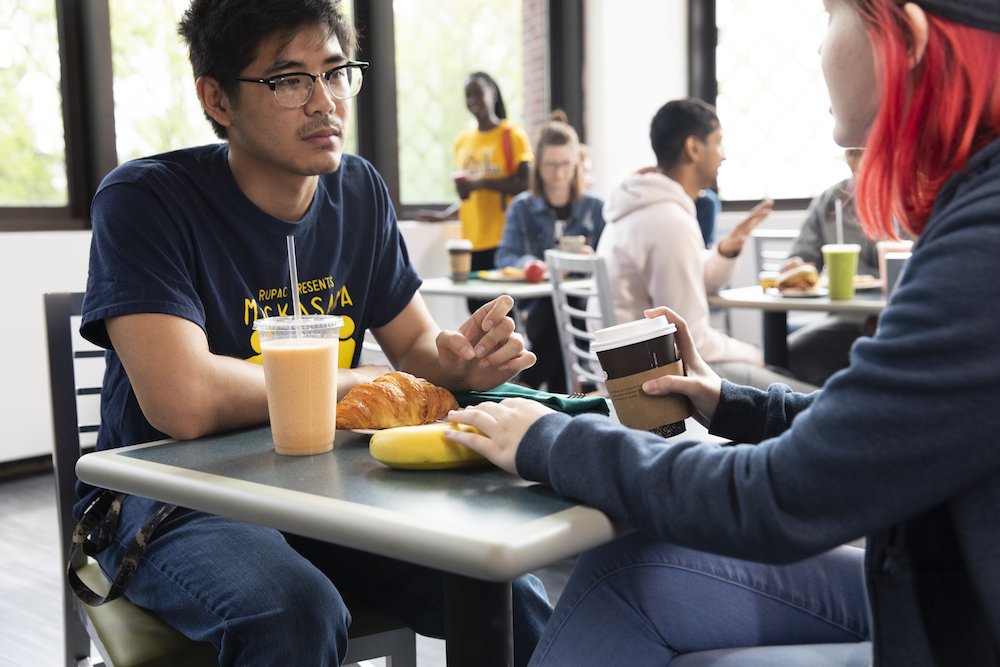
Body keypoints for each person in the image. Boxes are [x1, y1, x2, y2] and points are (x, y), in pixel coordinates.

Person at [446, 0, 1000, 663]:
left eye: (829, 16)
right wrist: (730, 400)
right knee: (631, 567)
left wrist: (552, 438)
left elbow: (777, 498)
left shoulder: (984, 240)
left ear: (904, 37)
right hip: (942, 591)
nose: (820, 44)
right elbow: (885, 424)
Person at [76, 2, 552, 665]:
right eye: (289, 80)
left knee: (510, 593)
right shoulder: (144, 201)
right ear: (217, 98)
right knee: (295, 611)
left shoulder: (358, 190)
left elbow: (416, 350)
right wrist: (354, 381)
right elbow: (181, 401)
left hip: (325, 491)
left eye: (335, 73)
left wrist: (459, 363)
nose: (324, 102)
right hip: (167, 504)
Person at [597, 98, 817, 392]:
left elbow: (694, 278)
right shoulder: (668, 221)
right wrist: (754, 354)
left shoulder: (638, 210)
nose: (723, 156)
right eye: (718, 142)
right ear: (694, 148)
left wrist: (727, 249)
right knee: (808, 400)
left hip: (629, 364)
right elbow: (692, 340)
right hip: (654, 376)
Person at [495, 111, 606, 393]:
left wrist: (588, 258)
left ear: (577, 165)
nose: (558, 174)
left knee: (569, 303)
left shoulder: (595, 208)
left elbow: (611, 263)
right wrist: (538, 266)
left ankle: (528, 384)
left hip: (585, 308)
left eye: (566, 165)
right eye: (550, 166)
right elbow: (505, 257)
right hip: (538, 310)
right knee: (557, 307)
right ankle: (586, 387)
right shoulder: (522, 208)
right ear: (538, 166)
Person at [420, 71, 532, 311]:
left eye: (477, 93)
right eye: (467, 96)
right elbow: (470, 199)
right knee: (477, 314)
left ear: (493, 93)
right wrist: (444, 216)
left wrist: (480, 182)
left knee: (504, 314)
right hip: (470, 245)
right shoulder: (463, 141)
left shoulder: (511, 136)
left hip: (503, 241)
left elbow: (526, 185)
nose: (472, 100)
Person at [784, 148, 884, 385]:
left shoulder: (915, 196)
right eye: (855, 153)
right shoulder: (831, 203)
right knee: (791, 354)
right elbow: (804, 260)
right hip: (847, 320)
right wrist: (795, 267)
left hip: (902, 318)